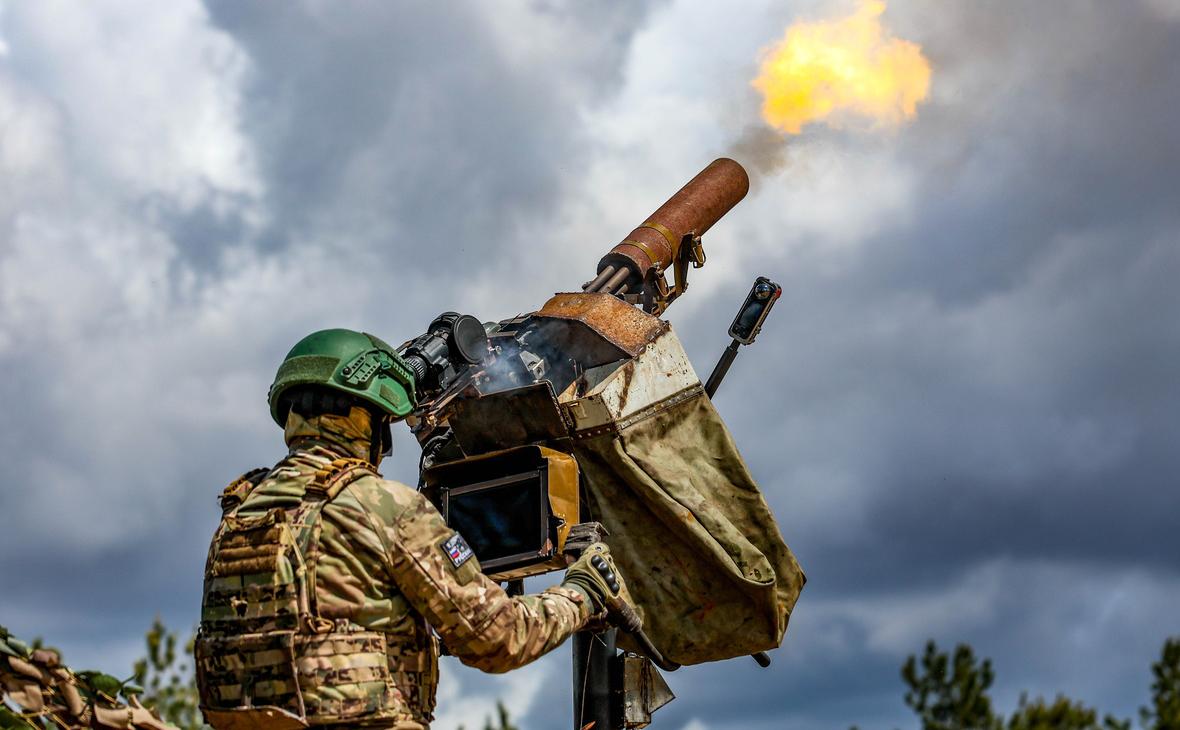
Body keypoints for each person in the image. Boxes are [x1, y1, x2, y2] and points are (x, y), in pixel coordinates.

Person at [195, 329, 634, 730]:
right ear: (369, 422)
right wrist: (582, 593)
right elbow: (500, 639)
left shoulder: (239, 515)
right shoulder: (384, 507)